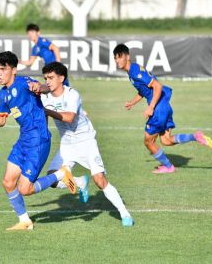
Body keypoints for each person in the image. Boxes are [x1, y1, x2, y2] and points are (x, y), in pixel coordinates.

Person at [0, 51, 75, 231]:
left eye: (3, 69)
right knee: (8, 182)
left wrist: (40, 88)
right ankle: (25, 221)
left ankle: (61, 174)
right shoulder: (4, 94)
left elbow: (45, 87)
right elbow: (0, 120)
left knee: (25, 189)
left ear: (14, 70)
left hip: (38, 140)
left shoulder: (24, 83)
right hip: (23, 140)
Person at [30, 62, 134, 227]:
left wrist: (46, 111)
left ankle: (124, 213)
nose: (48, 81)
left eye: (51, 77)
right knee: (53, 179)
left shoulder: (72, 94)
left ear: (62, 78)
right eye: (45, 78)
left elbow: (70, 117)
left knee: (100, 180)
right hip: (67, 144)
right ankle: (79, 182)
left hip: (86, 142)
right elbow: (42, 91)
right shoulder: (45, 96)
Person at [113, 44, 212, 174]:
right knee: (166, 140)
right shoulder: (132, 70)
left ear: (127, 56)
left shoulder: (134, 71)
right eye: (115, 58)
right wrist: (132, 102)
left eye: (119, 57)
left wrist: (151, 107)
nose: (117, 60)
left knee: (148, 142)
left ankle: (168, 166)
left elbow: (157, 86)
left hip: (158, 108)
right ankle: (195, 136)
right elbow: (144, 90)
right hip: (164, 105)